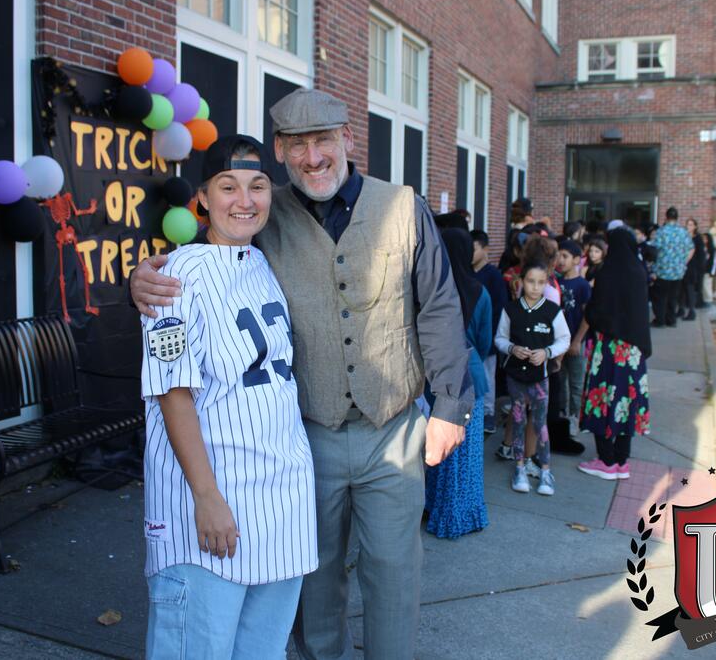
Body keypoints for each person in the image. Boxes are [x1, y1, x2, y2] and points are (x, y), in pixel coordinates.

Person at [130, 88, 472, 660]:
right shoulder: (267, 211)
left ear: (347, 139)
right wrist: (141, 280)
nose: (313, 158)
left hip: (391, 428)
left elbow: (439, 305)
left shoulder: (402, 206)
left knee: (394, 574)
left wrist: (449, 406)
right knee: (313, 584)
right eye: (297, 145)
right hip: (308, 434)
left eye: (323, 141)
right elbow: (205, 261)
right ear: (281, 151)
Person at [140, 136, 317, 658]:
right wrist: (206, 496)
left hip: (282, 504)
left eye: (257, 186)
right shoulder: (175, 277)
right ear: (202, 197)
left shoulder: (266, 263)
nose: (244, 200)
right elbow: (173, 393)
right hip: (210, 504)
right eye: (228, 186)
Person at [425, 229, 490, 538]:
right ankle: (460, 516)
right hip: (470, 378)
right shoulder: (480, 291)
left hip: (435, 380)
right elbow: (485, 341)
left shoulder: (431, 290)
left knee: (434, 450)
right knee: (465, 455)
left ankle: (431, 508)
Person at [575, 227, 652, 480]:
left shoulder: (607, 272)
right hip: (633, 351)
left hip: (608, 347)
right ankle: (621, 461)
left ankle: (606, 460)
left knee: (603, 400)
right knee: (626, 403)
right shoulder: (639, 273)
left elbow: (595, 312)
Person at [494, 260, 570, 495]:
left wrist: (547, 353)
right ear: (521, 282)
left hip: (540, 378)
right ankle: (519, 468)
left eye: (541, 282)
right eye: (530, 281)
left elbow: (564, 340)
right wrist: (512, 349)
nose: (535, 287)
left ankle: (545, 471)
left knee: (539, 423)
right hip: (515, 376)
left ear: (546, 283)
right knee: (518, 420)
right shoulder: (510, 309)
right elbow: (500, 338)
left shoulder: (553, 311)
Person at [470, 229, 509, 435]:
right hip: (471, 337)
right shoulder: (467, 272)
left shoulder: (493, 275)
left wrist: (492, 335)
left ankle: (488, 414)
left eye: (474, 248)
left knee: (487, 376)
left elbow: (499, 308)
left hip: (489, 335)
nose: (470, 253)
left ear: (485, 249)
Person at [556, 240, 591, 437]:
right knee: (559, 381)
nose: (560, 260)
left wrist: (577, 341)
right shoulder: (556, 282)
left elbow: (587, 316)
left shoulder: (582, 285)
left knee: (576, 383)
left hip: (575, 342)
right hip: (557, 343)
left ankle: (574, 417)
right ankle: (561, 415)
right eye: (559, 255)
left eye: (565, 256)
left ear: (577, 260)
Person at [650, 207, 694, 327]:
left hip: (663, 270)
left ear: (666, 217)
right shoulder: (684, 232)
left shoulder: (661, 231)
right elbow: (691, 248)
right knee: (673, 296)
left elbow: (654, 248)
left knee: (661, 297)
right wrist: (683, 262)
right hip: (678, 271)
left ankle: (660, 320)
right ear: (677, 217)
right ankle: (671, 320)